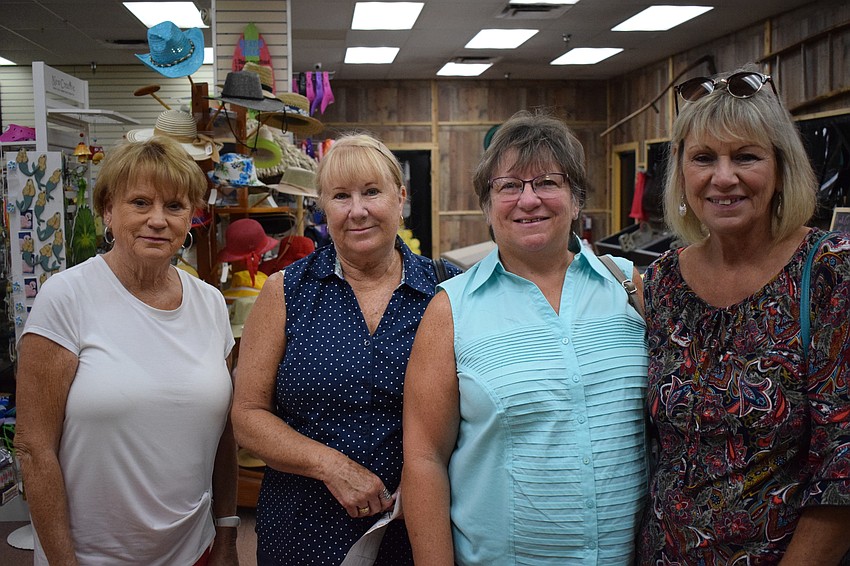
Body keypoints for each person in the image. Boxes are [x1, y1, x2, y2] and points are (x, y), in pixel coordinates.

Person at [402, 110, 649, 565]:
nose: (528, 200)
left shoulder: (627, 286)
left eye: (548, 183)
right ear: (487, 207)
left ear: (576, 201)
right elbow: (423, 461)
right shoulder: (450, 311)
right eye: (509, 186)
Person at [636, 69, 850, 564]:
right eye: (704, 158)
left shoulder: (829, 273)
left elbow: (842, 465)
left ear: (780, 167)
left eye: (746, 156)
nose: (723, 177)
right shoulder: (666, 279)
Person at [231, 133, 461, 565]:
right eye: (341, 196)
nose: (358, 210)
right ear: (323, 207)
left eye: (372, 192)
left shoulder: (446, 289)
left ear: (400, 197)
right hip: (303, 529)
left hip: (417, 529)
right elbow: (247, 416)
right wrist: (330, 466)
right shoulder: (287, 292)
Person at [14, 136, 240, 566]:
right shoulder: (66, 298)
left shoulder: (210, 303)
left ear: (190, 218)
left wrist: (227, 536)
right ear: (108, 211)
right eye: (140, 202)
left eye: (174, 206)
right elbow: (33, 448)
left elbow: (223, 435)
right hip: (91, 556)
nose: (158, 220)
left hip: (194, 549)